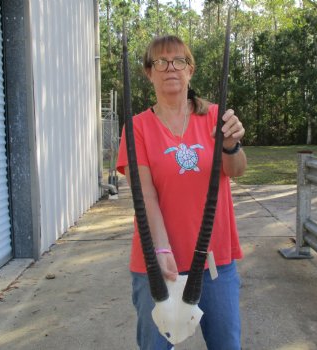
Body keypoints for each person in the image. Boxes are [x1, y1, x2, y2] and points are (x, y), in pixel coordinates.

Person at [116, 35, 247, 350]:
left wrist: (230, 145)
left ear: (191, 69)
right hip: (157, 262)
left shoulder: (215, 116)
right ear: (149, 72)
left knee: (226, 344)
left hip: (215, 260)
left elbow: (237, 170)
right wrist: (160, 251)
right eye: (160, 62)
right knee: (155, 346)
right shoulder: (136, 127)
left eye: (178, 60)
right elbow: (144, 195)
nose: (169, 68)